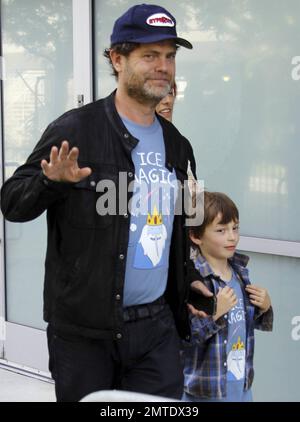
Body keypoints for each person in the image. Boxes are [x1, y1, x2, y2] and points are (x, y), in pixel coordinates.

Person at [0, 4, 198, 401]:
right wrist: (48, 181)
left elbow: (177, 228)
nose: (163, 66)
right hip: (85, 336)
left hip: (155, 331)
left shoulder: (178, 146)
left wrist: (186, 279)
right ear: (117, 59)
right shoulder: (76, 129)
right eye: (149, 55)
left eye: (169, 56)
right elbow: (12, 203)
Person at [182, 191, 273, 402]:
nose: (231, 236)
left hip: (241, 387)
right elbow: (187, 336)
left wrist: (265, 307)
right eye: (221, 230)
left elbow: (248, 321)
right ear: (196, 236)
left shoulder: (241, 273)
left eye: (235, 228)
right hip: (205, 393)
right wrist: (214, 313)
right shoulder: (196, 282)